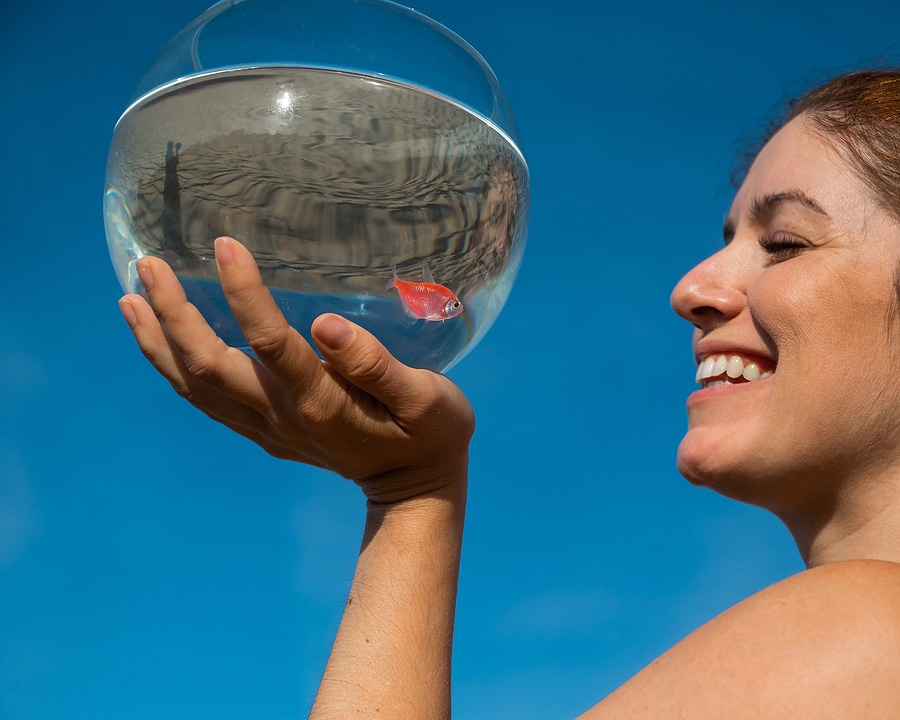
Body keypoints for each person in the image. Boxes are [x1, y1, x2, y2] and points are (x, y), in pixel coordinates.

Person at [117, 68, 900, 717]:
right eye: (726, 239)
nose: (692, 286)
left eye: (786, 243)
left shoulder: (865, 632)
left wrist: (410, 499)